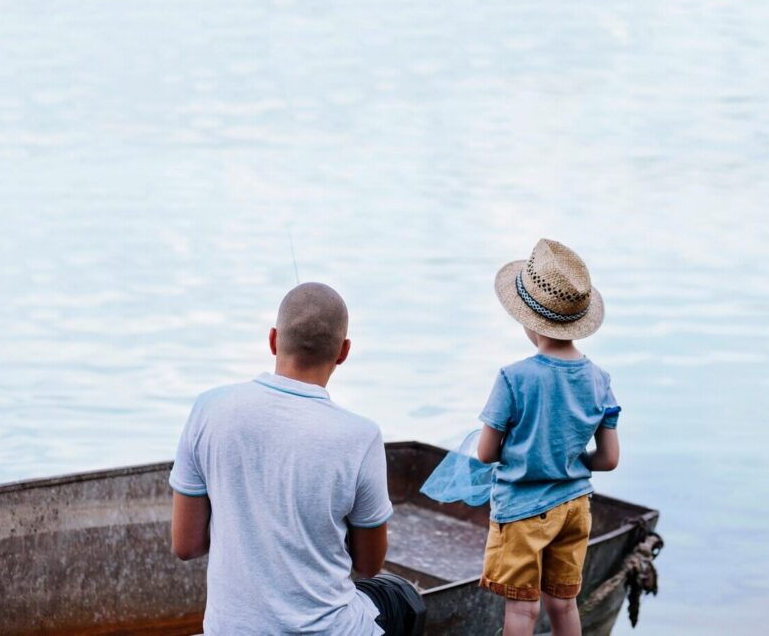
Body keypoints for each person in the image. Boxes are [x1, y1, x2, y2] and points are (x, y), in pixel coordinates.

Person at [168, 282, 425, 635]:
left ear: (273, 340)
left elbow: (187, 545)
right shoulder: (360, 436)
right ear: (343, 352)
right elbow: (368, 565)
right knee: (400, 598)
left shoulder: (208, 409)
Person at [475, 239, 621, 636]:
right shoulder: (599, 380)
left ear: (527, 320)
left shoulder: (513, 378)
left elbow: (486, 453)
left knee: (522, 613)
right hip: (575, 507)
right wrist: (570, 461)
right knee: (564, 603)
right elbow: (608, 459)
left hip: (522, 510)